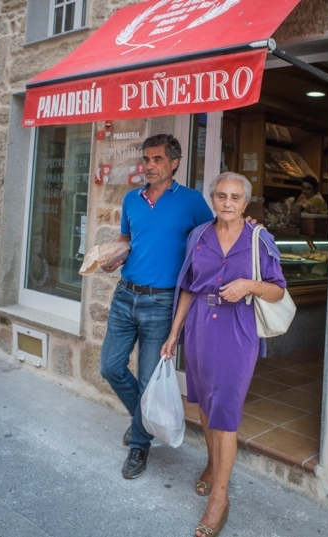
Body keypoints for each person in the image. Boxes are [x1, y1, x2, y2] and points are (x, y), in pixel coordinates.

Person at [161, 172, 287, 537]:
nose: (227, 203)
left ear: (245, 203)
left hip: (238, 329)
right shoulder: (198, 236)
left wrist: (250, 285)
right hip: (199, 325)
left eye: (235, 197)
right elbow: (186, 286)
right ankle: (213, 463)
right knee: (203, 402)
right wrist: (174, 333)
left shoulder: (259, 238)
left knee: (226, 411)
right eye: (220, 196)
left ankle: (220, 497)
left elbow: (278, 291)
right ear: (213, 199)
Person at [99, 134, 214, 480]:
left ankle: (140, 444)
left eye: (157, 160)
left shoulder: (192, 202)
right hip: (125, 295)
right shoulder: (132, 199)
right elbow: (126, 240)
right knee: (110, 367)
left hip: (162, 302)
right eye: (146, 160)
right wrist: (113, 257)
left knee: (149, 380)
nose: (148, 166)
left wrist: (250, 225)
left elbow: (213, 237)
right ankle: (144, 423)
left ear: (174, 163)